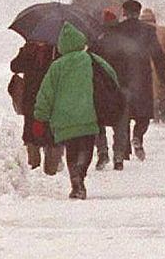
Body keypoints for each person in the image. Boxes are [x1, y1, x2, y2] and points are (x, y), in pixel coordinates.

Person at [32, 22, 119, 199]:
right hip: (89, 114)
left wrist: (40, 117)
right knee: (86, 149)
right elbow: (111, 77)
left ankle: (75, 179)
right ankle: (81, 173)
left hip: (64, 119)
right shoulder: (91, 59)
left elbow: (45, 93)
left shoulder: (56, 66)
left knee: (71, 149)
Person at [107, 0, 165, 161]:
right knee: (144, 114)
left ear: (124, 13)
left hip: (121, 77)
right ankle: (138, 137)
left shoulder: (117, 30)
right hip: (142, 77)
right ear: (139, 13)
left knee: (123, 114)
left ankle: (125, 146)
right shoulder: (148, 31)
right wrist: (163, 78)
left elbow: (110, 54)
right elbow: (158, 55)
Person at [10, 40, 63, 175]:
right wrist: (25, 53)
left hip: (50, 99)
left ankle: (51, 169)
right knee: (30, 132)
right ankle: (34, 166)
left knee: (50, 133)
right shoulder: (28, 49)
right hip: (31, 99)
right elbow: (14, 66)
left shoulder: (55, 50)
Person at [93, 9, 130, 171]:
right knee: (120, 122)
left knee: (97, 121)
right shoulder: (124, 42)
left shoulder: (97, 42)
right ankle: (119, 155)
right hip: (120, 87)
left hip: (101, 87)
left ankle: (102, 152)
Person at [140, 8, 165, 123]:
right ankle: (163, 113)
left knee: (150, 90)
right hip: (161, 65)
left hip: (143, 67)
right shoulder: (161, 30)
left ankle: (154, 112)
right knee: (162, 89)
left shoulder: (138, 32)